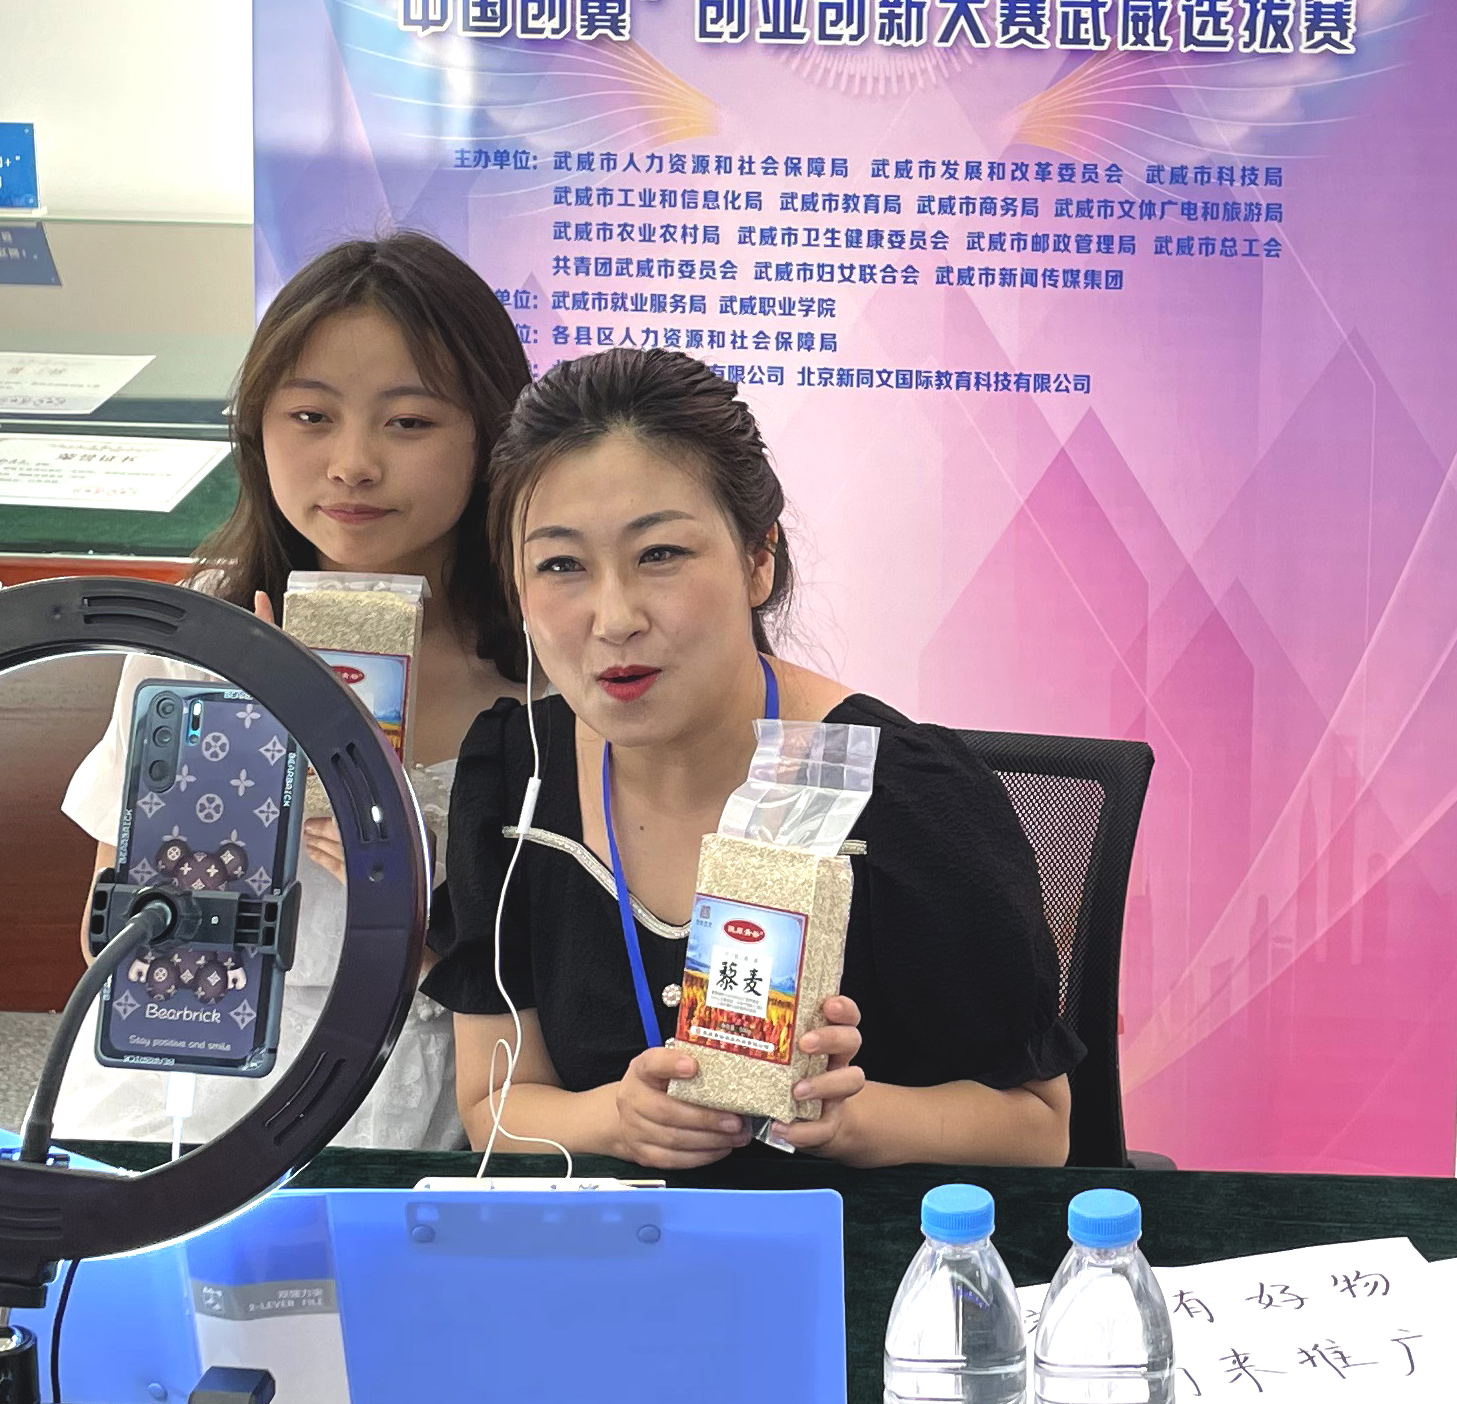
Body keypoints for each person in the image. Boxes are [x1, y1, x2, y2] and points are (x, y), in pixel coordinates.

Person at [429, 346, 1074, 1175]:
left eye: (660, 554)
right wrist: (616, 1120)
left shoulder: (906, 792)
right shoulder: (516, 777)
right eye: (561, 566)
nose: (614, 618)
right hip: (615, 1243)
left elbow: (1037, 1127)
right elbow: (494, 1103)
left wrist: (849, 1119)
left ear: (758, 558)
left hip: (843, 1242)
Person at [50, 231, 527, 1150]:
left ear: (491, 434)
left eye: (409, 422)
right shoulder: (197, 645)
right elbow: (106, 937)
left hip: (437, 1091)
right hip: (190, 1080)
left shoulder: (544, 665)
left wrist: (421, 906)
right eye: (310, 416)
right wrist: (235, 758)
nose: (353, 463)